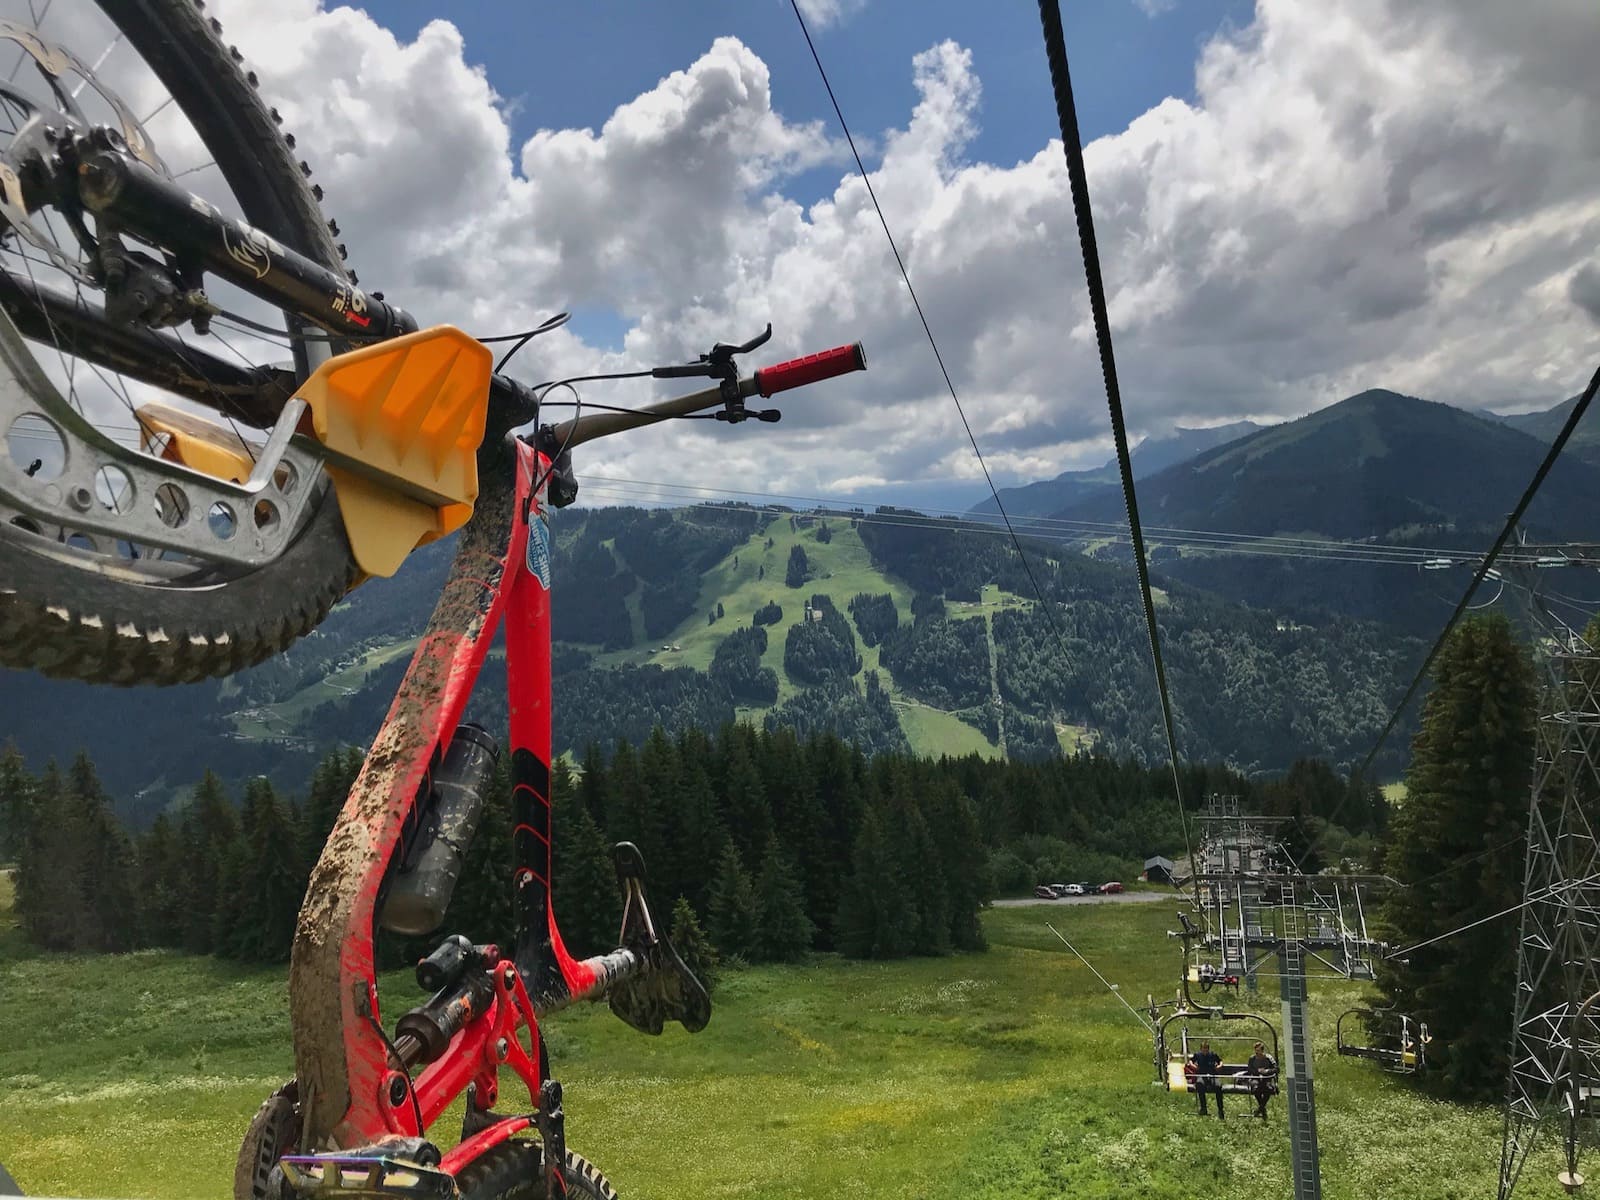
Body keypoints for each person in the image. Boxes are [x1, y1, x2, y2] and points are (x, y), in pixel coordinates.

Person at [1189, 1039, 1224, 1119]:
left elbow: (1220, 1061)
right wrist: (1193, 1066)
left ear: (1208, 1049)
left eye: (1206, 1048)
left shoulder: (1213, 1055)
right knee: (1199, 1085)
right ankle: (1203, 1108)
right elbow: (1191, 1061)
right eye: (1203, 1048)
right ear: (1201, 1049)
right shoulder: (1197, 1055)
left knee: (1218, 1086)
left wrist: (1219, 1066)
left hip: (1212, 1075)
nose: (1205, 1050)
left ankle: (1220, 1110)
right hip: (1202, 1075)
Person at [1247, 1040, 1277, 1120]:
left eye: (1258, 1051)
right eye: (1256, 1051)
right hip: (1256, 1078)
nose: (1257, 1053)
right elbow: (1249, 1069)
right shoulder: (1252, 1058)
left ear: (1262, 1051)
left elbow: (1276, 1069)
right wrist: (1257, 1071)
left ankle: (1260, 1109)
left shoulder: (1268, 1058)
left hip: (1266, 1078)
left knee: (1268, 1090)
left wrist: (1266, 1071)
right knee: (1256, 1089)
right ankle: (1262, 1110)